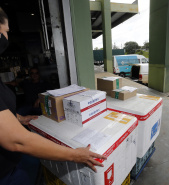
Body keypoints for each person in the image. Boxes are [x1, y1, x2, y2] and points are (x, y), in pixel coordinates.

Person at [0, 7, 106, 185]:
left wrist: (18, 118)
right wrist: (75, 154)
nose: (6, 36)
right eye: (5, 31)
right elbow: (18, 141)